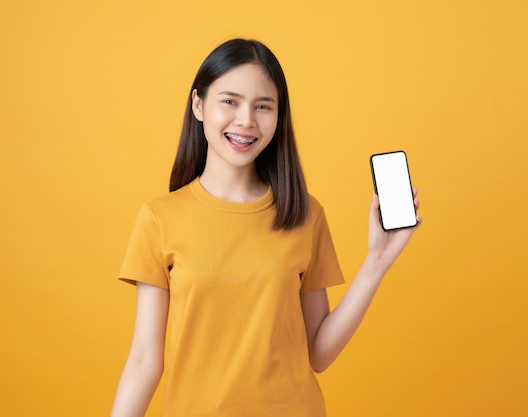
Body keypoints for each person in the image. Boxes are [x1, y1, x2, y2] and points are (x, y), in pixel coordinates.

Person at [110, 38, 421, 417]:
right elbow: (145, 361)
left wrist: (377, 262)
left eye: (263, 106)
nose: (246, 120)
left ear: (279, 116)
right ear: (198, 105)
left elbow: (319, 354)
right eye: (230, 101)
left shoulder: (305, 214)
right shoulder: (160, 218)